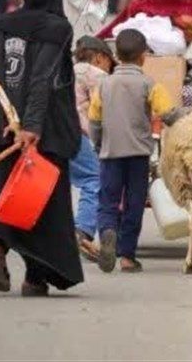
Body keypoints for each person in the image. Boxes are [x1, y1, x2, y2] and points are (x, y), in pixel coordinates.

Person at [0, 0, 83, 297]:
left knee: (8, 196)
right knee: (40, 203)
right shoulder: (57, 29)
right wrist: (31, 127)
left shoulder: (2, 23)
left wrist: (1, 69)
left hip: (1, 121)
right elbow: (42, 79)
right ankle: (34, 278)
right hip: (40, 130)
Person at [88, 29, 180, 273]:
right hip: (138, 155)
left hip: (110, 154)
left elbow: (94, 120)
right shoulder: (149, 84)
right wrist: (190, 117)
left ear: (116, 55)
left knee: (108, 201)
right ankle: (127, 256)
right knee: (134, 203)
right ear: (143, 57)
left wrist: (99, 144)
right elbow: (169, 114)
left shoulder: (104, 85)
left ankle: (107, 231)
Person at [70, 36, 115, 262]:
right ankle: (83, 232)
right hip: (77, 135)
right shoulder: (96, 75)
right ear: (99, 57)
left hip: (50, 134)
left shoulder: (65, 69)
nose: (110, 68)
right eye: (109, 62)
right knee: (94, 179)